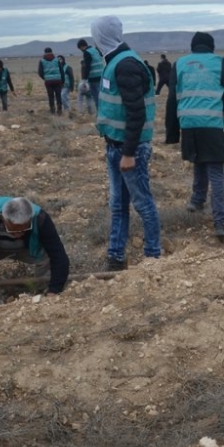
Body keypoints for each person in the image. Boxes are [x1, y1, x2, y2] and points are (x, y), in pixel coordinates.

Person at [91, 15, 161, 270]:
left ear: (101, 36)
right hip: (115, 146)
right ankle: (116, 257)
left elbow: (137, 112)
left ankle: (154, 258)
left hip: (130, 150)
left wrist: (129, 153)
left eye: (95, 35)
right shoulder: (114, 61)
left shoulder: (126, 64)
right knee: (118, 205)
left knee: (142, 203)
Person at [165, 31, 224, 238]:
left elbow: (172, 99)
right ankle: (221, 222)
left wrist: (172, 133)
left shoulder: (180, 63)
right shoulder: (220, 63)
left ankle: (196, 201)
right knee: (216, 172)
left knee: (198, 160)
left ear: (193, 47)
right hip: (210, 124)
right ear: (211, 46)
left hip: (188, 124)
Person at [77, 38, 105, 107]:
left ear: (81, 46)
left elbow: (87, 67)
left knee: (96, 96)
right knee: (101, 95)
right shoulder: (95, 50)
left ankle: (99, 113)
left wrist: (85, 80)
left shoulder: (86, 52)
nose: (81, 50)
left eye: (80, 48)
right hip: (101, 75)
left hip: (93, 77)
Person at [38, 47, 63, 115]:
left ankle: (52, 111)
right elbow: (61, 71)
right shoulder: (57, 60)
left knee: (51, 96)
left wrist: (46, 78)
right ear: (52, 52)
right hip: (57, 81)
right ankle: (59, 110)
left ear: (44, 53)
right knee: (58, 96)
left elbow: (40, 72)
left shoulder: (42, 61)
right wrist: (62, 80)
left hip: (48, 82)